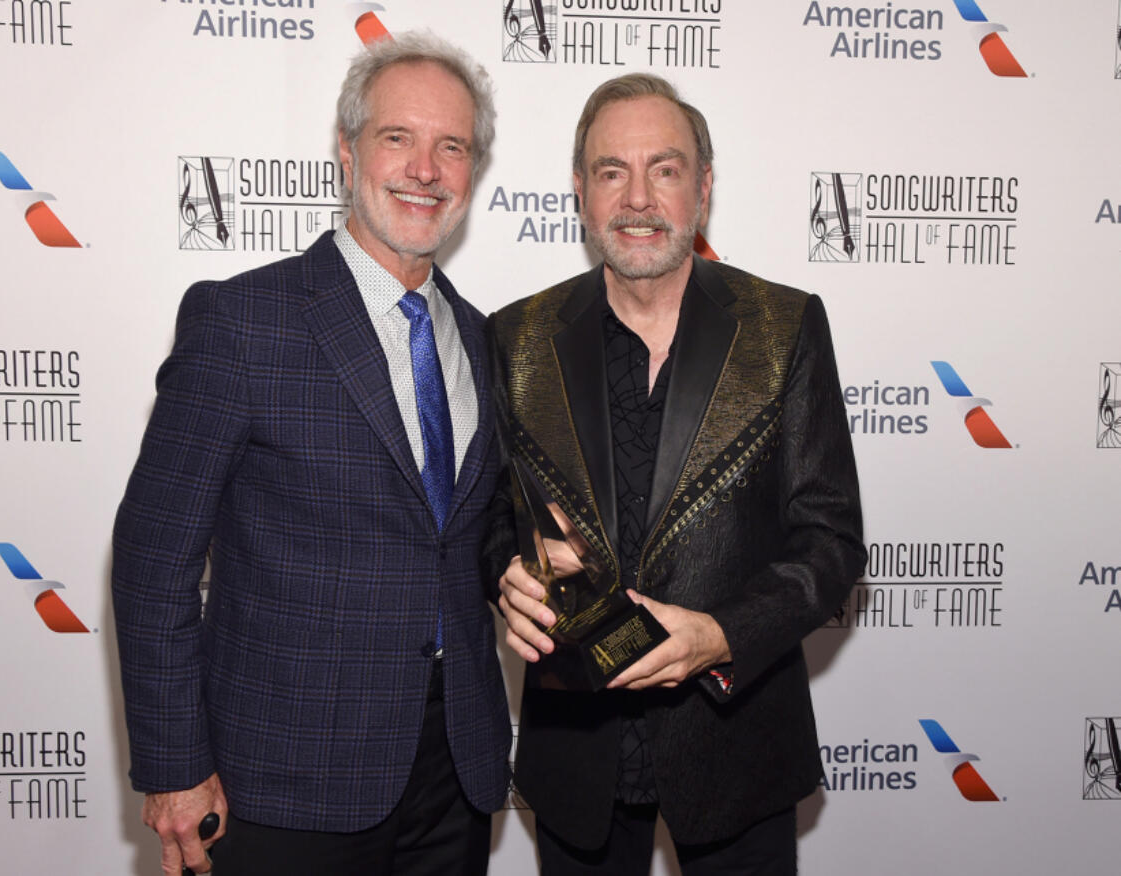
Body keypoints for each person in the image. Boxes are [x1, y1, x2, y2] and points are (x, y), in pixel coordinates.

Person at [112, 32, 510, 876]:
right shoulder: (242, 322)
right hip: (284, 779)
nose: (425, 169)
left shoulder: (482, 340)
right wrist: (176, 768)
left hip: (455, 772)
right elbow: (153, 561)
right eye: (397, 138)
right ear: (346, 150)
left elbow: (468, 543)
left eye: (452, 147)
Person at [487, 73, 866, 875]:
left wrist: (723, 634)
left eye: (664, 168)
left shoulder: (784, 325)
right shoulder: (514, 339)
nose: (637, 198)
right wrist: (509, 573)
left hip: (737, 743)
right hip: (576, 752)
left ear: (703, 187)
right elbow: (491, 518)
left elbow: (831, 542)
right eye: (611, 171)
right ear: (581, 192)